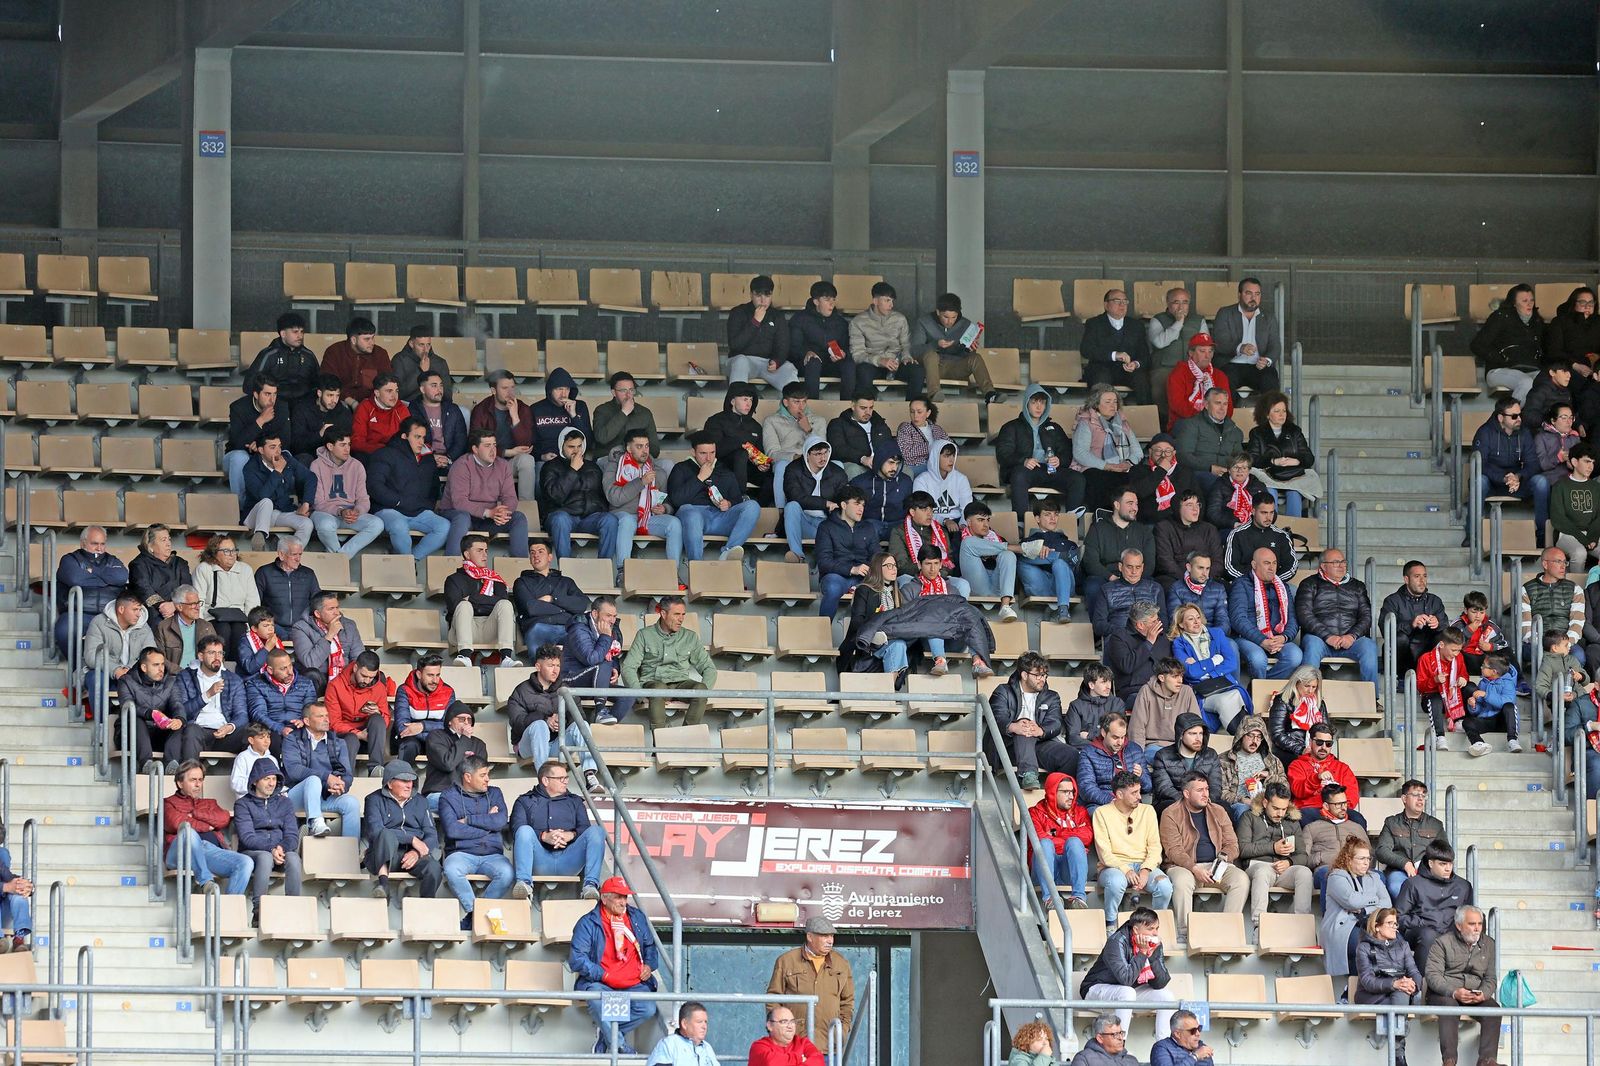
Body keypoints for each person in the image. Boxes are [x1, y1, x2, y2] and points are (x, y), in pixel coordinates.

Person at [570, 876, 661, 1056]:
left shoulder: (636, 917)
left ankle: (606, 1037)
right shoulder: (588, 923)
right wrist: (603, 975)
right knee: (597, 1002)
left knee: (648, 1009)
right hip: (602, 982)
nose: (623, 902)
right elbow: (577, 959)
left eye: (625, 897)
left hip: (634, 982)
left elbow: (650, 946)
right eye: (618, 897)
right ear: (604, 898)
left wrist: (649, 966)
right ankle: (619, 1044)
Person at [1159, 771, 1249, 939]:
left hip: (1216, 865)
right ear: (1186, 793)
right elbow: (1173, 850)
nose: (1206, 794)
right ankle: (1184, 933)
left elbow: (1232, 844)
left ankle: (1227, 934)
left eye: (1207, 789)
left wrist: (1221, 861)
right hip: (1183, 866)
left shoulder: (1218, 811)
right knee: (1182, 880)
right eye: (1199, 790)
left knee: (1241, 879)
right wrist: (1194, 868)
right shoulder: (1171, 813)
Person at [512, 757, 607, 899]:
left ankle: (590, 886)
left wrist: (571, 835)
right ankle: (524, 884)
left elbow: (585, 829)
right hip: (539, 860)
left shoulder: (575, 801)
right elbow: (516, 829)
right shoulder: (525, 800)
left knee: (597, 831)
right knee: (524, 831)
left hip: (569, 859)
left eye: (566, 777)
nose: (566, 781)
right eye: (561, 778)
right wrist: (544, 836)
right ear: (545, 781)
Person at [508, 647, 599, 794]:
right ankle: (545, 781)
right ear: (538, 666)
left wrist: (561, 717)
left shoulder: (565, 689)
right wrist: (545, 719)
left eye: (557, 666)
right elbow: (517, 722)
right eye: (550, 666)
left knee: (582, 725)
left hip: (557, 743)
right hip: (528, 746)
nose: (555, 670)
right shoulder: (521, 690)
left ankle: (590, 775)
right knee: (539, 725)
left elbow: (580, 716)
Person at [437, 754, 514, 928]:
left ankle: (472, 919)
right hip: (461, 853)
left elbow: (500, 821)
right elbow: (453, 830)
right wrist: (488, 823)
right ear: (468, 777)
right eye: (483, 775)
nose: (487, 779)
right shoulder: (448, 796)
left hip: (492, 855)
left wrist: (469, 820)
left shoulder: (495, 793)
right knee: (451, 868)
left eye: (488, 774)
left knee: (507, 873)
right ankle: (476, 913)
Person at [1423, 905, 1502, 1066]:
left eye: (1480, 924)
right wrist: (1454, 992)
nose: (1477, 928)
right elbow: (1433, 976)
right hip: (1444, 994)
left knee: (1494, 1009)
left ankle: (1487, 1061)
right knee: (1450, 1005)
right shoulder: (1442, 942)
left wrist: (1484, 994)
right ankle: (1449, 1061)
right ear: (1459, 925)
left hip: (1474, 994)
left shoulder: (1489, 943)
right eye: (1472, 924)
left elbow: (1491, 978)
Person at [621, 597, 717, 729]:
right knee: (658, 690)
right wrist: (639, 694)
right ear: (663, 614)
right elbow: (628, 667)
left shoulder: (690, 637)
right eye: (676, 614)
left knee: (701, 689)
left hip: (681, 683)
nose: (681, 619)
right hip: (654, 682)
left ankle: (687, 737)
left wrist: (703, 693)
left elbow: (709, 668)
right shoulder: (644, 635)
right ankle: (659, 745)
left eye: (683, 614)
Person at [1091, 773, 1174, 925]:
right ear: (1119, 794)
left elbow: (1155, 847)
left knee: (1164, 886)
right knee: (1116, 882)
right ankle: (1111, 923)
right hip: (1113, 867)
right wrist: (1126, 870)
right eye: (1134, 793)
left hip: (1143, 865)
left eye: (1139, 791)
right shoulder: (1101, 813)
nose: (1139, 797)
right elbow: (1104, 853)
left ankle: (1154, 927)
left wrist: (1145, 870)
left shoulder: (1147, 810)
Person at [1080, 906, 1174, 1039]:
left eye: (1157, 928)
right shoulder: (1116, 941)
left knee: (1166, 996)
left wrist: (1151, 957)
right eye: (1150, 929)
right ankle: (1119, 1044)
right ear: (1136, 930)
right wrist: (1142, 953)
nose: (1155, 933)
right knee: (1127, 992)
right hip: (1095, 989)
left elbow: (1161, 982)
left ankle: (1163, 1044)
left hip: (1127, 993)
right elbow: (1126, 979)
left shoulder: (1153, 944)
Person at [989, 652, 1079, 789]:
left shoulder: (1052, 696)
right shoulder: (1003, 691)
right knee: (1024, 725)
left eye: (1044, 675)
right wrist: (1013, 726)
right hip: (1008, 747)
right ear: (1024, 675)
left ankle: (1061, 792)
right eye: (1038, 675)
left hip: (1039, 744)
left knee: (1070, 755)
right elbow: (996, 717)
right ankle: (1028, 774)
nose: (1042, 679)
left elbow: (1055, 722)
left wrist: (1040, 730)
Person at [667, 431, 761, 563]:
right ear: (693, 452)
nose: (708, 458)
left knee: (752, 506)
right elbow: (676, 500)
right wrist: (700, 478)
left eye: (712, 452)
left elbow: (737, 500)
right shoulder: (681, 468)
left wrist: (729, 503)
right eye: (703, 453)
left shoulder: (724, 470)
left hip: (719, 517)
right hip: (692, 515)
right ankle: (696, 565)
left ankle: (728, 552)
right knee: (690, 512)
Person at [368, 417, 454, 560]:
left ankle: (411, 560)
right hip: (389, 509)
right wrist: (398, 502)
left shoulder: (427, 459)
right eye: (417, 437)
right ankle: (405, 564)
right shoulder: (385, 454)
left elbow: (434, 487)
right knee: (399, 526)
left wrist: (430, 504)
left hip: (418, 511)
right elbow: (374, 486)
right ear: (404, 436)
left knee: (444, 526)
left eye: (423, 437)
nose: (421, 441)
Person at [163, 760, 252, 895]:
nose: (198, 784)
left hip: (210, 852)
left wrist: (194, 814)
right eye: (193, 780)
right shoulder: (168, 802)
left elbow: (223, 818)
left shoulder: (210, 803)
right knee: (188, 831)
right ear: (180, 783)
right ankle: (205, 882)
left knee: (245, 862)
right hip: (181, 852)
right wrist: (208, 826)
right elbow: (175, 823)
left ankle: (228, 910)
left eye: (200, 780)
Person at [1472, 394, 1549, 547]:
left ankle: (1542, 536)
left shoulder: (1524, 432)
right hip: (1493, 481)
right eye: (1514, 416)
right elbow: (1482, 464)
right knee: (1479, 481)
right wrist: (1504, 478)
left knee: (1541, 482)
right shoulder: (1485, 432)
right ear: (1501, 418)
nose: (1519, 419)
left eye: (1520, 415)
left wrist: (1518, 476)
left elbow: (1533, 464)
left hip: (1517, 481)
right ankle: (1473, 535)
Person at [605, 428, 684, 576]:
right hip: (622, 514)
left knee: (674, 523)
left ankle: (673, 574)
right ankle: (623, 572)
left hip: (648, 517)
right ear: (629, 448)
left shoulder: (656, 471)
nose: (644, 450)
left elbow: (667, 500)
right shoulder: (614, 466)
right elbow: (614, 498)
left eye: (646, 446)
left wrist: (665, 509)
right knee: (628, 521)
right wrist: (640, 482)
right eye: (639, 446)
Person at [442, 428, 531, 558]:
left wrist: (503, 512)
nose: (493, 450)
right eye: (487, 446)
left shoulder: (503, 465)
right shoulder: (461, 465)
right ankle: (450, 563)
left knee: (518, 518)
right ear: (475, 449)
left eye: (494, 445)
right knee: (462, 518)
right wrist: (489, 513)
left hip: (489, 518)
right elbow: (459, 502)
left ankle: (520, 567)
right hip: (457, 513)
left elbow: (510, 497)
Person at [767, 916, 856, 1048]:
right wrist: (780, 1031)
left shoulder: (841, 963)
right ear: (810, 937)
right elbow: (773, 998)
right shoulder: (786, 961)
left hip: (829, 1045)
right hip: (794, 1044)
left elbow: (847, 1002)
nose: (830, 941)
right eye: (825, 936)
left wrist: (842, 1029)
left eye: (831, 936)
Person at [995, 385, 1082, 518]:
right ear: (1026, 403)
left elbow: (1066, 452)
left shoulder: (1055, 427)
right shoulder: (1011, 427)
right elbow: (1003, 454)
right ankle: (1021, 522)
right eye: (1034, 402)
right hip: (1026, 470)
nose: (1038, 406)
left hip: (1050, 470)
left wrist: (1059, 460)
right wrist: (1023, 461)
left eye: (1042, 402)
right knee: (1019, 474)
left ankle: (1072, 520)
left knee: (1077, 478)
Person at [1235, 780, 1313, 927]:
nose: (1280, 814)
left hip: (1284, 869)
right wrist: (1273, 848)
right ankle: (1259, 927)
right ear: (1265, 803)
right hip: (1257, 866)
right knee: (1263, 871)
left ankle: (1302, 925)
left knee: (1304, 872)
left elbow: (1303, 856)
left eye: (1284, 809)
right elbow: (1242, 849)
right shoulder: (1249, 817)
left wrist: (1289, 862)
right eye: (1276, 808)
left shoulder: (1292, 821)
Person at [361, 760, 442, 899]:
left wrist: (416, 852)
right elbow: (375, 831)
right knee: (385, 834)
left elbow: (431, 834)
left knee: (434, 868)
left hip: (411, 855)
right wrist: (411, 838)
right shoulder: (374, 799)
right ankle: (383, 886)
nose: (409, 785)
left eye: (411, 780)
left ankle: (426, 905)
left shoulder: (421, 801)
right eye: (404, 780)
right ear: (390, 783)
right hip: (383, 854)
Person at [1295, 548, 1377, 683]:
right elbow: (1304, 615)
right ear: (1323, 566)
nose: (1341, 566)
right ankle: (1306, 697)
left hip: (1351, 640)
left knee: (1369, 646)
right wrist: (1327, 636)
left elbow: (1366, 616)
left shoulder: (1357, 586)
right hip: (1320, 639)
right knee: (1311, 644)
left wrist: (1352, 636)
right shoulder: (1309, 584)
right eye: (1335, 562)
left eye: (1343, 562)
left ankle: (1372, 699)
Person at [280, 701, 360, 838]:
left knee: (351, 803)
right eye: (320, 716)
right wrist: (327, 777)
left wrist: (342, 786)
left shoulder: (338, 742)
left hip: (325, 795)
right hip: (297, 795)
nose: (326, 719)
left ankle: (351, 851)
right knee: (313, 780)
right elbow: (294, 770)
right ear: (307, 721)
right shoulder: (292, 739)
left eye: (327, 716)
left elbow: (347, 774)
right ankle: (315, 823)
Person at [539, 428, 619, 563]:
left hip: (589, 517)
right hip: (563, 515)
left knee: (610, 520)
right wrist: (572, 470)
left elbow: (602, 497)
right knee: (560, 519)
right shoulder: (550, 467)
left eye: (579, 446)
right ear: (561, 446)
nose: (576, 451)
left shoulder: (593, 467)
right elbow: (555, 496)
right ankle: (566, 569)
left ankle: (603, 567)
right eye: (571, 447)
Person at [1396, 839, 1473, 976]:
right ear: (1431, 863)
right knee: (1428, 935)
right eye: (1443, 864)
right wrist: (1424, 922)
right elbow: (1399, 917)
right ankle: (1421, 985)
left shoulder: (1463, 886)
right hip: (1420, 931)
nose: (1448, 868)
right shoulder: (1413, 884)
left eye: (1450, 863)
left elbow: (1469, 916)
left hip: (1451, 931)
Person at [1321, 836, 1391, 988]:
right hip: (1342, 927)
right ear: (1349, 859)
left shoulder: (1374, 877)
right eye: (1361, 858)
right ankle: (1353, 991)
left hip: (1369, 923)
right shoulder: (1336, 876)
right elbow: (1352, 901)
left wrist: (1364, 908)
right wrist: (1374, 900)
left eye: (1368, 858)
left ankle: (1369, 990)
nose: (1367, 862)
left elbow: (1387, 903)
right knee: (1361, 947)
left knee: (1392, 942)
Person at [233, 758, 304, 907]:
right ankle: (258, 909)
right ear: (254, 781)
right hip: (252, 852)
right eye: (266, 779)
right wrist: (271, 849)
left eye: (274, 779)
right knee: (265, 857)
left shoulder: (285, 803)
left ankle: (295, 907)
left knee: (294, 858)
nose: (272, 783)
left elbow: (292, 835)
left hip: (280, 851)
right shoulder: (242, 804)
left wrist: (281, 848)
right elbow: (247, 838)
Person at [1354, 908, 1421, 1065]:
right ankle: (1399, 1051)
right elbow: (1367, 981)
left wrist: (1413, 985)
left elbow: (1415, 973)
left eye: (1396, 924)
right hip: (1371, 996)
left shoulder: (1403, 945)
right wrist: (1394, 984)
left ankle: (1397, 1052)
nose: (1395, 927)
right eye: (1390, 923)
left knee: (1402, 993)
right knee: (1400, 995)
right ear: (1377, 926)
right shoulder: (1363, 947)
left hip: (1398, 995)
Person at [54, 525, 130, 658]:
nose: (99, 548)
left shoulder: (113, 560)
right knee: (64, 630)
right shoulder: (70, 559)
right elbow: (75, 578)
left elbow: (121, 577)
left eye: (102, 544)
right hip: (79, 614)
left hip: (110, 615)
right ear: (83, 543)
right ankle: (76, 666)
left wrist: (92, 571)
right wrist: (106, 579)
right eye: (95, 544)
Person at [1170, 603, 1247, 733]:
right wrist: (1214, 660)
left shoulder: (1216, 633)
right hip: (1201, 691)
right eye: (1190, 619)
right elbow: (1190, 672)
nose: (1196, 622)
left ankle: (1240, 736)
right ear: (1181, 624)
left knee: (1233, 695)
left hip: (1224, 684)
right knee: (1231, 698)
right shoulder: (1179, 643)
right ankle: (1242, 736)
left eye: (1198, 617)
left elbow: (1231, 662)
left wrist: (1207, 672)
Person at [308, 429, 387, 555]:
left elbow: (363, 499)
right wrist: (340, 511)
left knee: (377, 524)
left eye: (349, 444)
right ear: (330, 446)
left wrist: (357, 511)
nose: (347, 449)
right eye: (342, 445)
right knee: (325, 525)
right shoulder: (316, 465)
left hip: (350, 514)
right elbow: (318, 503)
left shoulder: (357, 466)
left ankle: (341, 557)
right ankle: (340, 562)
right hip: (326, 513)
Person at [117, 646, 197, 771]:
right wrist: (150, 713)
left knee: (177, 723)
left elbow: (177, 704)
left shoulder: (170, 681)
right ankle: (146, 765)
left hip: (160, 732)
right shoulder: (126, 681)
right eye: (155, 665)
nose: (161, 669)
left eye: (162, 664)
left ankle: (172, 765)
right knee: (135, 719)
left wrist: (179, 719)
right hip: (130, 735)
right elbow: (127, 707)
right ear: (144, 667)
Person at [1229, 546, 1302, 680]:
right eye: (1266, 563)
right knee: (1258, 659)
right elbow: (1238, 619)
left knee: (1295, 656)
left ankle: (1266, 688)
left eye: (1274, 563)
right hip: (1249, 638)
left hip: (1277, 638)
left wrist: (1284, 637)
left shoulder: (1283, 586)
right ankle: (1258, 692)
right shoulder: (1241, 584)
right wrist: (1261, 640)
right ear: (1254, 565)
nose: (1272, 567)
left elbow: (1292, 618)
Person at [911, 292, 999, 403]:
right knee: (931, 355)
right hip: (933, 368)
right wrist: (935, 344)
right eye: (946, 317)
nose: (950, 321)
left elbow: (967, 355)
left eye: (954, 317)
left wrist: (969, 348)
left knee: (976, 357)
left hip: (956, 366)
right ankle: (934, 393)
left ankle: (990, 394)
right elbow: (914, 350)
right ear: (938, 312)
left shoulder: (966, 325)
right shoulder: (924, 322)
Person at [1070, 385, 1145, 513]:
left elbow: (1138, 452)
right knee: (1099, 478)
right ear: (1096, 404)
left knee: (1142, 472)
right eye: (1108, 402)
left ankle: (1132, 515)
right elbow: (1080, 453)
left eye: (1115, 402)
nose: (1113, 406)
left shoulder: (1122, 423)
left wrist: (1127, 463)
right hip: (1097, 468)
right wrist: (1107, 466)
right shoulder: (1086, 422)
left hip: (1121, 468)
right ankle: (1103, 515)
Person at [1246, 390, 1320, 518]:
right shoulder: (1257, 433)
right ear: (1267, 414)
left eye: (1284, 411)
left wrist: (1297, 461)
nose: (1282, 414)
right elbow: (1252, 459)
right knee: (1269, 492)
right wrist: (1273, 461)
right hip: (1268, 475)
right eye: (1277, 411)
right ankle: (1271, 526)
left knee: (1294, 493)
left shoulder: (1294, 431)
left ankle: (1293, 530)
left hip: (1292, 475)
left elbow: (1309, 457)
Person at [240, 429, 315, 552]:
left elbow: (310, 477)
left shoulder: (286, 459)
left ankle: (289, 555)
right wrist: (277, 472)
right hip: (256, 516)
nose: (278, 451)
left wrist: (306, 504)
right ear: (261, 450)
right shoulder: (250, 468)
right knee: (266, 502)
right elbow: (262, 496)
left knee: (306, 524)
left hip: (280, 512)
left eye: (279, 446)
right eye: (273, 447)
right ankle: (259, 541)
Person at [175, 634, 250, 757]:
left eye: (220, 653)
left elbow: (241, 714)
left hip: (224, 733)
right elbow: (181, 711)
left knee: (252, 733)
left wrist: (230, 727)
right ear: (200, 656)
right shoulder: (185, 677)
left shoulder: (234, 680)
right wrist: (207, 694)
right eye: (211, 653)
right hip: (197, 730)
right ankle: (190, 774)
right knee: (191, 730)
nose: (217, 657)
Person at [562, 596, 634, 724]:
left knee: (628, 695)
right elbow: (591, 659)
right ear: (595, 614)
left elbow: (612, 656)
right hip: (571, 679)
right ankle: (600, 710)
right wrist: (605, 636)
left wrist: (615, 669)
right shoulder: (579, 628)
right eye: (608, 616)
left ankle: (600, 731)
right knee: (603, 664)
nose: (612, 620)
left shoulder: (612, 630)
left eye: (614, 616)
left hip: (597, 681)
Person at [1080, 489, 1156, 608]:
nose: (1135, 508)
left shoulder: (1144, 531)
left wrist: (1133, 578)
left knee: (1155, 587)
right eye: (1130, 503)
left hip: (1136, 577)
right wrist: (1112, 578)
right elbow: (1090, 562)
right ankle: (1099, 626)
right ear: (1117, 505)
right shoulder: (1098, 528)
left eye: (1136, 504)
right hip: (1106, 577)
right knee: (1092, 586)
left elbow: (1150, 563)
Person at [472, 369, 540, 499]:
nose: (510, 392)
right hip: (489, 462)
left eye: (512, 387)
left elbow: (526, 445)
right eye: (504, 388)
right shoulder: (481, 410)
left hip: (511, 464)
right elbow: (474, 445)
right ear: (493, 390)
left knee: (527, 460)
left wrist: (515, 417)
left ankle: (526, 508)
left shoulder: (523, 409)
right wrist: (507, 452)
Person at [1210, 278, 1282, 398]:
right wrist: (1240, 348)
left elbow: (1275, 345)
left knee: (1270, 380)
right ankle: (1232, 412)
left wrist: (1267, 360)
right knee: (1223, 381)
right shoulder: (1225, 313)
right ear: (1239, 295)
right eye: (1248, 293)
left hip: (1258, 367)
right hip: (1231, 365)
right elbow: (1219, 342)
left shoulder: (1268, 317)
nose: (1253, 298)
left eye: (1257, 294)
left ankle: (1269, 415)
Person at [1030, 772, 1093, 907]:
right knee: (1045, 844)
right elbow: (1039, 837)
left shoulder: (1080, 812)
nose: (1071, 796)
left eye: (1072, 791)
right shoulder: (1035, 812)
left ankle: (1078, 898)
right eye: (1065, 792)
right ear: (1052, 792)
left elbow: (1087, 837)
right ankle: (1050, 898)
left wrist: (1055, 834)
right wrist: (1069, 836)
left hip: (1068, 869)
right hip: (1042, 869)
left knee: (1075, 843)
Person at [781, 436, 847, 564]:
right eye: (817, 454)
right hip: (802, 522)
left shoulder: (837, 473)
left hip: (825, 524)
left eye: (825, 453)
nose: (823, 458)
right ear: (807, 455)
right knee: (791, 506)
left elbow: (843, 500)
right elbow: (795, 497)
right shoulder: (793, 469)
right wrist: (825, 503)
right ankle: (797, 556)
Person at [1470, 283, 1542, 401]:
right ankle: (1511, 417)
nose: (1529, 304)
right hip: (1500, 370)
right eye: (1524, 301)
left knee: (1551, 383)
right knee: (1526, 383)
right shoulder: (1501, 317)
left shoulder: (1537, 321)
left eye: (1532, 300)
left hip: (1531, 369)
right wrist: (1502, 359)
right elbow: (1477, 345)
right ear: (1514, 303)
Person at [703, 381, 773, 501]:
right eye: (745, 399)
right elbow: (714, 451)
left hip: (749, 468)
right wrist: (739, 443)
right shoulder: (716, 421)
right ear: (732, 401)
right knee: (741, 453)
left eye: (751, 400)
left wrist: (763, 464)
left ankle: (761, 507)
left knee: (773, 475)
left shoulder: (755, 426)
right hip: (722, 467)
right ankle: (739, 498)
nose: (749, 403)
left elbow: (760, 452)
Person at [514, 540, 590, 650]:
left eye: (540, 552)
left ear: (550, 557)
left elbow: (581, 604)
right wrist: (565, 609)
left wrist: (552, 599)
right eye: (532, 553)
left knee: (583, 634)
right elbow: (531, 608)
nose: (536, 555)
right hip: (540, 628)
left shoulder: (566, 581)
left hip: (567, 628)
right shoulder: (522, 582)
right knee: (537, 630)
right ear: (530, 559)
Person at [325, 650, 394, 772]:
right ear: (355, 668)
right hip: (345, 734)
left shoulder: (379, 687)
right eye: (364, 676)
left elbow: (386, 720)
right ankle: (346, 777)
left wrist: (378, 712)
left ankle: (375, 769)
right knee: (351, 739)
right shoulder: (335, 685)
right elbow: (333, 723)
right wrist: (358, 734)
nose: (367, 681)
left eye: (371, 677)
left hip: (369, 734)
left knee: (378, 719)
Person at [725, 274, 797, 389]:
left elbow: (783, 344)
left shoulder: (777, 316)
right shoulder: (738, 312)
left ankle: (794, 405)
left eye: (767, 295)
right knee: (740, 362)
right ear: (751, 295)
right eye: (758, 295)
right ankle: (736, 403)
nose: (763, 300)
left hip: (767, 363)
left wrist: (777, 361)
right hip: (743, 360)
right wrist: (755, 322)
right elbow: (735, 345)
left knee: (789, 368)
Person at [1147, 287, 1209, 420]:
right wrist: (1178, 322)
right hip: (1165, 367)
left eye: (1185, 302)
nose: (1181, 307)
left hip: (1192, 367)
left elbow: (1206, 345)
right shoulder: (1158, 319)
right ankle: (1164, 423)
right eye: (1176, 302)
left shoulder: (1198, 320)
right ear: (1168, 304)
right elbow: (1159, 342)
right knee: (1162, 385)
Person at [816, 486, 877, 616]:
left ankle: (869, 634)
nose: (861, 509)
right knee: (833, 587)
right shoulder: (826, 527)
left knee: (880, 587)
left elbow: (876, 556)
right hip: (837, 577)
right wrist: (852, 569)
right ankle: (822, 632)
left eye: (863, 505)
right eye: (856, 504)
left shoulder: (868, 527)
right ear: (843, 505)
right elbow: (824, 562)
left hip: (863, 579)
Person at [1081, 289, 1151, 403]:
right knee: (1101, 380)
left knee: (1142, 379)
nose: (1122, 304)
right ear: (1106, 305)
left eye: (1125, 301)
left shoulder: (1136, 326)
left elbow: (1145, 355)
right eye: (1117, 300)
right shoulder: (1094, 323)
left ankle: (1146, 416)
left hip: (1128, 370)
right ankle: (1098, 417)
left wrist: (1136, 364)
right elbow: (1086, 350)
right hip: (1101, 368)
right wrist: (1114, 355)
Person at [84, 591, 155, 705]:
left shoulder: (143, 626)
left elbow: (151, 655)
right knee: (97, 679)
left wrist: (130, 670)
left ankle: (142, 720)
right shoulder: (99, 622)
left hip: (133, 672)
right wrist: (116, 669)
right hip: (105, 672)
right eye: (135, 610)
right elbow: (92, 655)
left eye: (140, 610)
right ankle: (102, 722)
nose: (138, 614)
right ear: (121, 609)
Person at [226, 376, 290, 498]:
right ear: (256, 394)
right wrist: (260, 421)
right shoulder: (238, 407)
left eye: (274, 394)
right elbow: (237, 443)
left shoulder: (281, 407)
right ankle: (241, 507)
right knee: (239, 457)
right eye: (267, 394)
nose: (272, 400)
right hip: (240, 455)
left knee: (286, 454)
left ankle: (281, 503)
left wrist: (260, 446)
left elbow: (286, 440)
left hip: (266, 453)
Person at [193, 535, 258, 656]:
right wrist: (200, 625)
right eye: (226, 551)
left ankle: (235, 668)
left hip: (239, 617)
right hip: (212, 616)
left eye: (234, 550)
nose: (232, 554)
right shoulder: (204, 569)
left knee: (240, 631)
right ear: (214, 553)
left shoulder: (245, 570)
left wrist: (252, 625)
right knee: (223, 630)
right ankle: (221, 665)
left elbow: (252, 601)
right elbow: (199, 599)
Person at [1519, 546, 1585, 664]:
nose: (1563, 566)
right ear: (1545, 564)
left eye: (1565, 562)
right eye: (1558, 561)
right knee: (1533, 654)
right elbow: (1525, 627)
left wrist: (1565, 644)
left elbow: (1577, 623)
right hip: (1538, 643)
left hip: (1566, 642)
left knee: (1578, 657)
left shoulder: (1575, 589)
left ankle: (1566, 683)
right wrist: (1547, 645)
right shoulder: (1526, 589)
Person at [1379, 561, 1446, 675]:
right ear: (1406, 579)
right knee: (1399, 639)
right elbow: (1385, 630)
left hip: (1426, 649)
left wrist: (1438, 623)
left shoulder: (1435, 601)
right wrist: (1411, 624)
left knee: (1443, 638)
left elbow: (1446, 628)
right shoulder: (1392, 601)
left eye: (1424, 576)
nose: (1422, 581)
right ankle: (1398, 677)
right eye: (1417, 576)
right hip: (1403, 654)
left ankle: (1436, 676)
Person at [1172, 387, 1245, 492]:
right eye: (1218, 403)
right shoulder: (1191, 425)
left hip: (1227, 473)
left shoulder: (1233, 429)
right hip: (1200, 473)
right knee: (1219, 486)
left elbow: (1239, 457)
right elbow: (1183, 455)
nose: (1222, 408)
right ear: (1206, 405)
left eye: (1225, 404)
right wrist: (1210, 468)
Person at [1019, 499, 1080, 623]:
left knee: (1060, 563)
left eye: (1056, 514)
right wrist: (1037, 550)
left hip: (1064, 586)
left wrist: (1046, 557)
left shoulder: (1069, 543)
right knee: (1020, 557)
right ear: (1037, 518)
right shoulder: (1027, 542)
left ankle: (1063, 609)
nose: (1053, 518)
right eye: (1047, 514)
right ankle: (1057, 557)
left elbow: (1073, 565)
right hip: (1039, 585)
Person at [291, 591, 364, 693]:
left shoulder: (349, 625)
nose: (337, 612)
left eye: (337, 607)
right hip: (321, 678)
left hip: (345, 677)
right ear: (317, 614)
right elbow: (310, 663)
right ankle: (312, 709)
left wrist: (348, 676)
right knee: (312, 675)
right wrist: (329, 635)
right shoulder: (300, 628)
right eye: (331, 609)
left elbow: (359, 658)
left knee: (373, 674)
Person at [1078, 712, 1152, 812]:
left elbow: (1148, 787)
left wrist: (1141, 775)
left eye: (1123, 737)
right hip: (1103, 803)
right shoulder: (1088, 753)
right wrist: (1114, 801)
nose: (1120, 742)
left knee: (1149, 813)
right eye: (1115, 737)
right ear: (1104, 733)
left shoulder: (1134, 749)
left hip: (1132, 801)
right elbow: (1086, 788)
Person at [1287, 722, 1361, 822]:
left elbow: (1352, 795)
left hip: (1338, 810)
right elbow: (1298, 791)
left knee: (1358, 819)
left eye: (1328, 744)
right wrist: (1316, 778)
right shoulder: (1297, 765)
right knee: (1304, 817)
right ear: (1310, 742)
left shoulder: (1342, 768)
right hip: (1310, 810)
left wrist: (1338, 808)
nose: (1323, 747)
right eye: (1319, 742)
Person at [1149, 711, 1222, 812]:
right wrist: (1190, 802)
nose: (1198, 738)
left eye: (1200, 734)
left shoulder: (1211, 755)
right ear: (1181, 735)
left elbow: (1215, 786)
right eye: (1192, 734)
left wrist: (1205, 800)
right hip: (1175, 801)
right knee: (1170, 807)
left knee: (1225, 808)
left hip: (1204, 800)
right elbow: (1165, 789)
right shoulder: (1163, 756)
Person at [1219, 714, 1287, 820]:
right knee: (1244, 811)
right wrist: (1241, 799)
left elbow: (1286, 788)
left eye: (1259, 737)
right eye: (1250, 736)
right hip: (1240, 805)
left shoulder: (1272, 761)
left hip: (1270, 805)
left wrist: (1269, 775)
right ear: (1241, 736)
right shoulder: (1225, 760)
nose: (1255, 741)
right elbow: (1220, 792)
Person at [1305, 784, 1370, 893]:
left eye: (1345, 803)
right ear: (1326, 806)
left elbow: (1370, 853)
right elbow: (1304, 858)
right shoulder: (1311, 828)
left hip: (1354, 869)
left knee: (1378, 877)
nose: (1344, 807)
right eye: (1338, 804)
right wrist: (1320, 857)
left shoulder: (1356, 827)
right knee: (1330, 876)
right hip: (1326, 869)